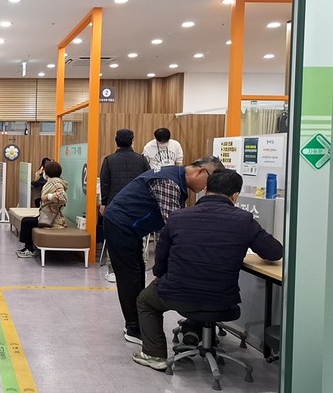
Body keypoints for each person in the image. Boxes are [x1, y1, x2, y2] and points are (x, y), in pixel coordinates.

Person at [132, 169, 283, 370]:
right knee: (203, 292)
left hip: (178, 294)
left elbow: (161, 258)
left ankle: (154, 354)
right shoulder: (244, 220)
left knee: (145, 300)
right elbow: (274, 252)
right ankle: (193, 331)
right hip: (221, 299)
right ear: (235, 196)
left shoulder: (178, 217)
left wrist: (163, 277)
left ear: (205, 189)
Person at [103, 156, 225, 345]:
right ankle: (133, 327)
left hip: (130, 226)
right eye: (208, 183)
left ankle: (138, 323)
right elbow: (173, 226)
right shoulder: (169, 183)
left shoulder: (175, 177)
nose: (205, 189)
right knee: (130, 276)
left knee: (137, 271)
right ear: (201, 171)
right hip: (120, 224)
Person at [99, 129, 150, 282]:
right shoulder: (142, 160)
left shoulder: (109, 160)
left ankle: (112, 270)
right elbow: (148, 182)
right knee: (138, 237)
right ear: (132, 141)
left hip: (115, 205)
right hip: (137, 206)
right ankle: (140, 268)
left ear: (116, 141)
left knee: (114, 238)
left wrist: (104, 203)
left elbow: (105, 183)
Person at [16, 161, 68, 258]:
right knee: (27, 220)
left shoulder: (56, 184)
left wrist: (48, 197)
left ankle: (29, 249)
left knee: (26, 222)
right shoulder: (52, 182)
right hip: (47, 215)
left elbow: (63, 198)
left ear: (47, 172)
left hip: (52, 219)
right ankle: (28, 248)